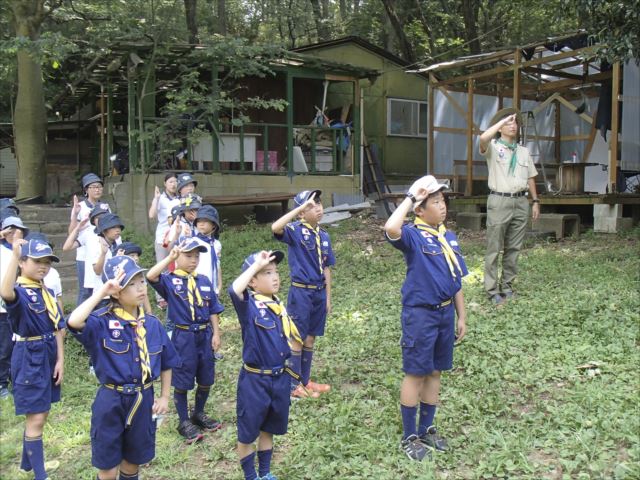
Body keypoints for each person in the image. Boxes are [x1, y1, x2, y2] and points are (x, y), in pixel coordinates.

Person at [67, 255, 179, 480]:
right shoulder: (101, 322)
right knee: (108, 468)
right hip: (111, 400)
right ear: (116, 292)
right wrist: (101, 292)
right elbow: (73, 322)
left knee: (133, 462)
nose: (140, 288)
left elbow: (167, 362)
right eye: (131, 284)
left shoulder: (152, 324)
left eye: (141, 281)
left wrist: (165, 396)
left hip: (143, 397)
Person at [384, 175, 468, 462]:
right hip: (420, 315)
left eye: (442, 200)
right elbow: (390, 227)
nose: (442, 206)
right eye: (435, 202)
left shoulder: (448, 237)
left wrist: (461, 316)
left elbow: (455, 279)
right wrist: (410, 198)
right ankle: (409, 436)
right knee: (416, 372)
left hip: (445, 313)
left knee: (435, 371)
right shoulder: (413, 236)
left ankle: (427, 429)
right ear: (420, 210)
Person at [229, 250, 302, 480]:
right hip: (255, 381)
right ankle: (251, 476)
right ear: (252, 281)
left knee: (269, 428)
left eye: (276, 272)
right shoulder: (249, 307)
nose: (275, 277)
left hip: (279, 378)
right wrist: (255, 265)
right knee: (247, 433)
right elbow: (234, 290)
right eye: (267, 273)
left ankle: (265, 473)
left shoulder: (278, 306)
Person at [147, 239, 224, 444]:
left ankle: (198, 413)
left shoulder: (204, 280)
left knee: (206, 377)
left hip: (204, 335)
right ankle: (183, 421)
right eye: (188, 256)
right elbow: (150, 276)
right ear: (177, 256)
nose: (193, 260)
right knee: (183, 379)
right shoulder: (170, 281)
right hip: (184, 338)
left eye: (197, 256)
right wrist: (169, 259)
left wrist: (216, 333)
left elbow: (214, 310)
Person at [0, 236, 65, 480]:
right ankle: (40, 475)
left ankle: (27, 464)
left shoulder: (45, 291)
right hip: (30, 356)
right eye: (37, 261)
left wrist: (61, 359)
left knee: (42, 411)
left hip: (48, 354)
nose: (43, 266)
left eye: (47, 262)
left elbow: (58, 327)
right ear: (23, 262)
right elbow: (5, 292)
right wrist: (14, 257)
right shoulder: (19, 291)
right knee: (36, 416)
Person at [272, 190, 335, 399]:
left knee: (310, 338)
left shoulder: (324, 236)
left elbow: (326, 268)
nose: (318, 208)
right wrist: (299, 208)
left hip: (318, 294)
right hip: (301, 293)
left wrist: (327, 297)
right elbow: (276, 227)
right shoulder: (295, 232)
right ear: (300, 213)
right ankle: (292, 386)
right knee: (297, 339)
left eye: (319, 203)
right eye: (311, 205)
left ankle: (305, 381)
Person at [479, 108, 540, 305]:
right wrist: (501, 121)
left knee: (514, 247)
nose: (513, 125)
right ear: (499, 128)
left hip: (521, 202)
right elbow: (482, 137)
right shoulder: (493, 147)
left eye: (515, 122)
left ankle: (507, 286)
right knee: (494, 247)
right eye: (508, 123)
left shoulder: (523, 151)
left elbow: (530, 177)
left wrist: (535, 201)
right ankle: (491, 289)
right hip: (499, 201)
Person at [0, 217, 30, 400]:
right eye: (15, 230)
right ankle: (2, 384)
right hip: (3, 308)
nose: (19, 234)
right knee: (4, 347)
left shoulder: (25, 252)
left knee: (17, 345)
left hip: (20, 306)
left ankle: (15, 380)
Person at [69, 173, 109, 305]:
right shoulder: (80, 206)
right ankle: (77, 322)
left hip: (101, 252)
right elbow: (71, 233)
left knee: (102, 287)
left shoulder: (105, 207)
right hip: (84, 253)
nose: (97, 189)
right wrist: (75, 215)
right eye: (93, 187)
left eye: (99, 187)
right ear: (86, 190)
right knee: (85, 291)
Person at [148, 174, 180, 308]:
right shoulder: (160, 198)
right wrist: (156, 199)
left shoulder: (180, 198)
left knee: (176, 266)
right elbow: (151, 215)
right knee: (162, 266)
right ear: (165, 183)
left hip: (177, 236)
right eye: (170, 181)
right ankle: (161, 298)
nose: (173, 184)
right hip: (163, 238)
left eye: (175, 181)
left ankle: (175, 293)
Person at [193, 205, 223, 295]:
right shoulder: (193, 242)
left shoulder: (217, 244)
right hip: (197, 284)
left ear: (213, 224)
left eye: (205, 221)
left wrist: (220, 285)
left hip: (212, 286)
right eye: (199, 221)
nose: (201, 224)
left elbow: (217, 265)